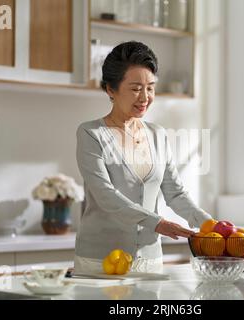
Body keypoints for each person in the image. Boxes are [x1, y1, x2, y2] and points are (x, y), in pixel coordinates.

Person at [74, 41, 212, 274]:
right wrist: (157, 222)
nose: (145, 97)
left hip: (149, 261)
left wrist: (209, 224)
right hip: (100, 261)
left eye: (150, 87)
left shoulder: (158, 135)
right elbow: (105, 195)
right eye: (136, 88)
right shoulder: (90, 133)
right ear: (110, 89)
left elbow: (174, 192)